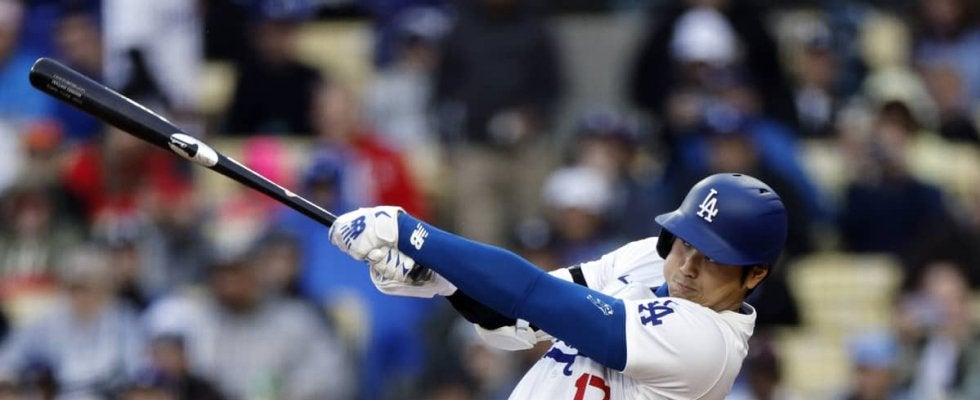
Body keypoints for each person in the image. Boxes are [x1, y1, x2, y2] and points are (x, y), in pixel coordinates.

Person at [328, 173, 787, 399]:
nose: (686, 267)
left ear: (755, 273)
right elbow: (517, 319)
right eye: (685, 243)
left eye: (713, 258)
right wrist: (443, 281)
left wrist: (412, 234)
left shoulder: (710, 346)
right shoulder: (652, 258)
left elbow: (538, 296)